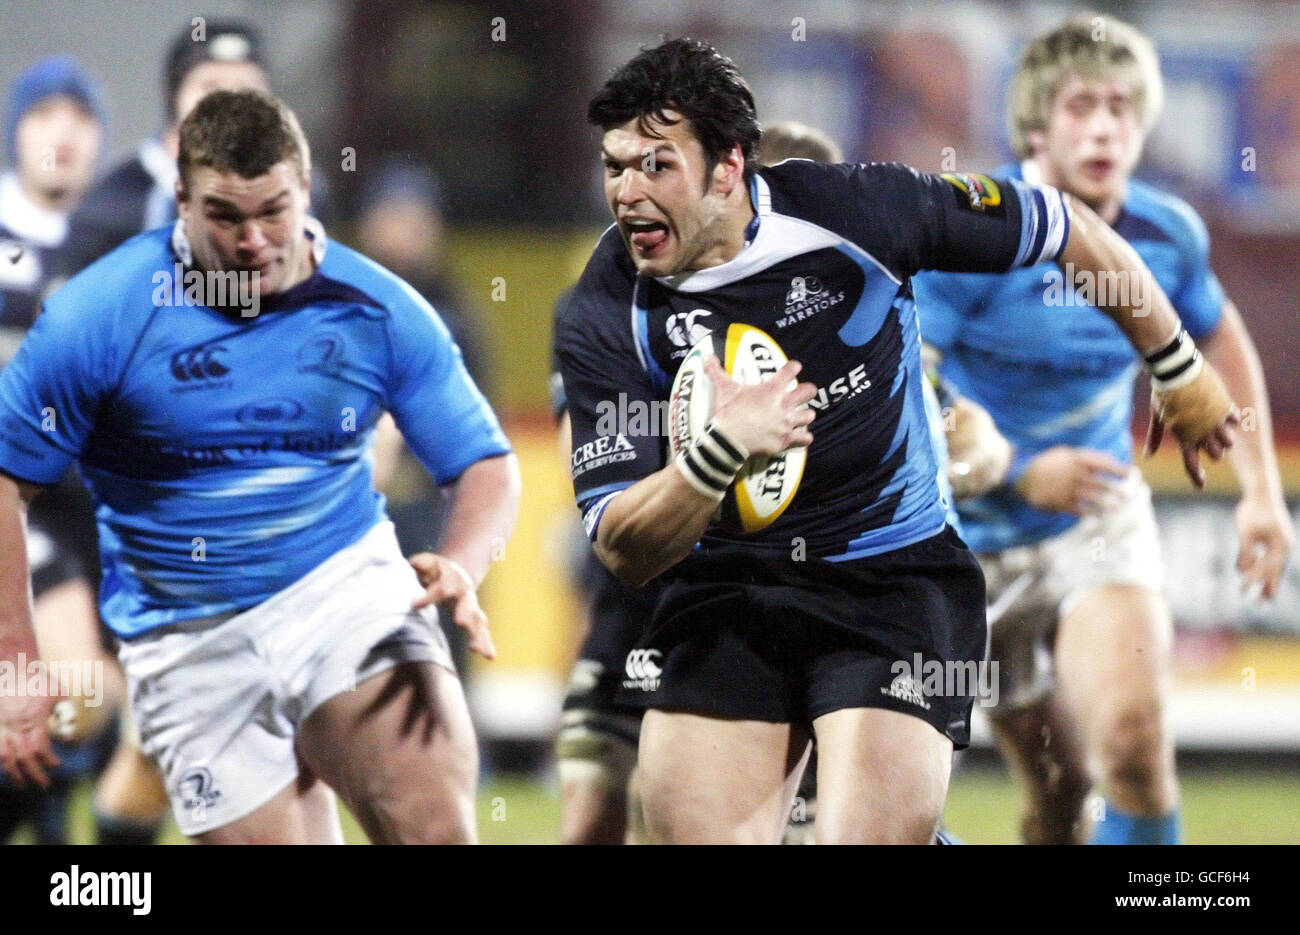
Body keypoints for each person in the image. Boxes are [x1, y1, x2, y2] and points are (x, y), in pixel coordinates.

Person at [553, 38, 1236, 845]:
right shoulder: (603, 309)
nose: (627, 194)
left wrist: (1177, 366)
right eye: (615, 166)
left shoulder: (861, 211)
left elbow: (1062, 227)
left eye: (656, 166)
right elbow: (625, 547)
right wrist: (716, 454)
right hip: (723, 591)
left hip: (890, 580)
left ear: (730, 167)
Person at [0, 89, 520, 844]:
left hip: (343, 589)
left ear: (306, 190)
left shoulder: (376, 308)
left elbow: (485, 465)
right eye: (225, 216)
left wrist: (467, 560)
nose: (252, 241)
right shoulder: (100, 313)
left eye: (273, 211)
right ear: (180, 198)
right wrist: (17, 662)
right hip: (187, 635)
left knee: (435, 818)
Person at [912, 14, 1294, 845]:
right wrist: (1011, 469)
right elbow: (914, 382)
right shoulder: (974, 231)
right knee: (1060, 785)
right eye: (1082, 105)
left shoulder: (1166, 234)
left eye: (1122, 108)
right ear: (1035, 124)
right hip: (960, 542)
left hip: (1096, 518)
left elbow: (1220, 340)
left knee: (1133, 747)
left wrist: (1262, 494)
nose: (1105, 126)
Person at [0, 56, 129, 845]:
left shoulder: (126, 241)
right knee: (70, 681)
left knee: (105, 696)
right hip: (22, 505)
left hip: (104, 509)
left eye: (80, 118)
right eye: (44, 113)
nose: (64, 132)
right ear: (15, 131)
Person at [53, 19, 270, 278]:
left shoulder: (302, 193)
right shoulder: (117, 200)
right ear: (175, 97)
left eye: (248, 89)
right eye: (210, 87)